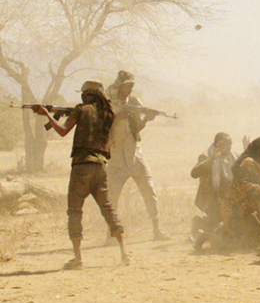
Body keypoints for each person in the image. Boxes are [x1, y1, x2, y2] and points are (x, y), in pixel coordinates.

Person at [32, 81, 130, 269]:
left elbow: (62, 131)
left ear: (87, 94)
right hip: (101, 166)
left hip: (82, 166)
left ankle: (78, 258)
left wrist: (46, 114)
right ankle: (124, 253)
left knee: (75, 211)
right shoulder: (108, 113)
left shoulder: (81, 109)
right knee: (108, 208)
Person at [105, 70, 169, 240]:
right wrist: (118, 116)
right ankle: (110, 234)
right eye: (128, 85)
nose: (131, 89)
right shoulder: (109, 103)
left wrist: (146, 119)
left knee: (149, 191)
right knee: (112, 198)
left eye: (132, 85)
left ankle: (157, 229)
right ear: (120, 85)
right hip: (116, 156)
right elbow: (103, 125)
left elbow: (136, 127)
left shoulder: (134, 103)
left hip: (135, 154)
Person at [190, 132, 235, 236]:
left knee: (229, 222)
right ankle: (199, 223)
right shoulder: (206, 155)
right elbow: (194, 173)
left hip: (225, 197)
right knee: (220, 225)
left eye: (230, 144)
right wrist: (212, 159)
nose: (229, 147)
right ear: (218, 144)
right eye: (227, 144)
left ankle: (204, 222)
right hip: (210, 198)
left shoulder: (230, 156)